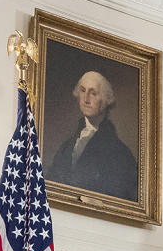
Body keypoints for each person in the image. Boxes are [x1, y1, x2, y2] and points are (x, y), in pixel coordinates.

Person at [47, 70, 138, 201]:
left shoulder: (120, 153)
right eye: (83, 91)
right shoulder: (67, 146)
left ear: (106, 100)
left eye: (93, 93)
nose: (86, 99)